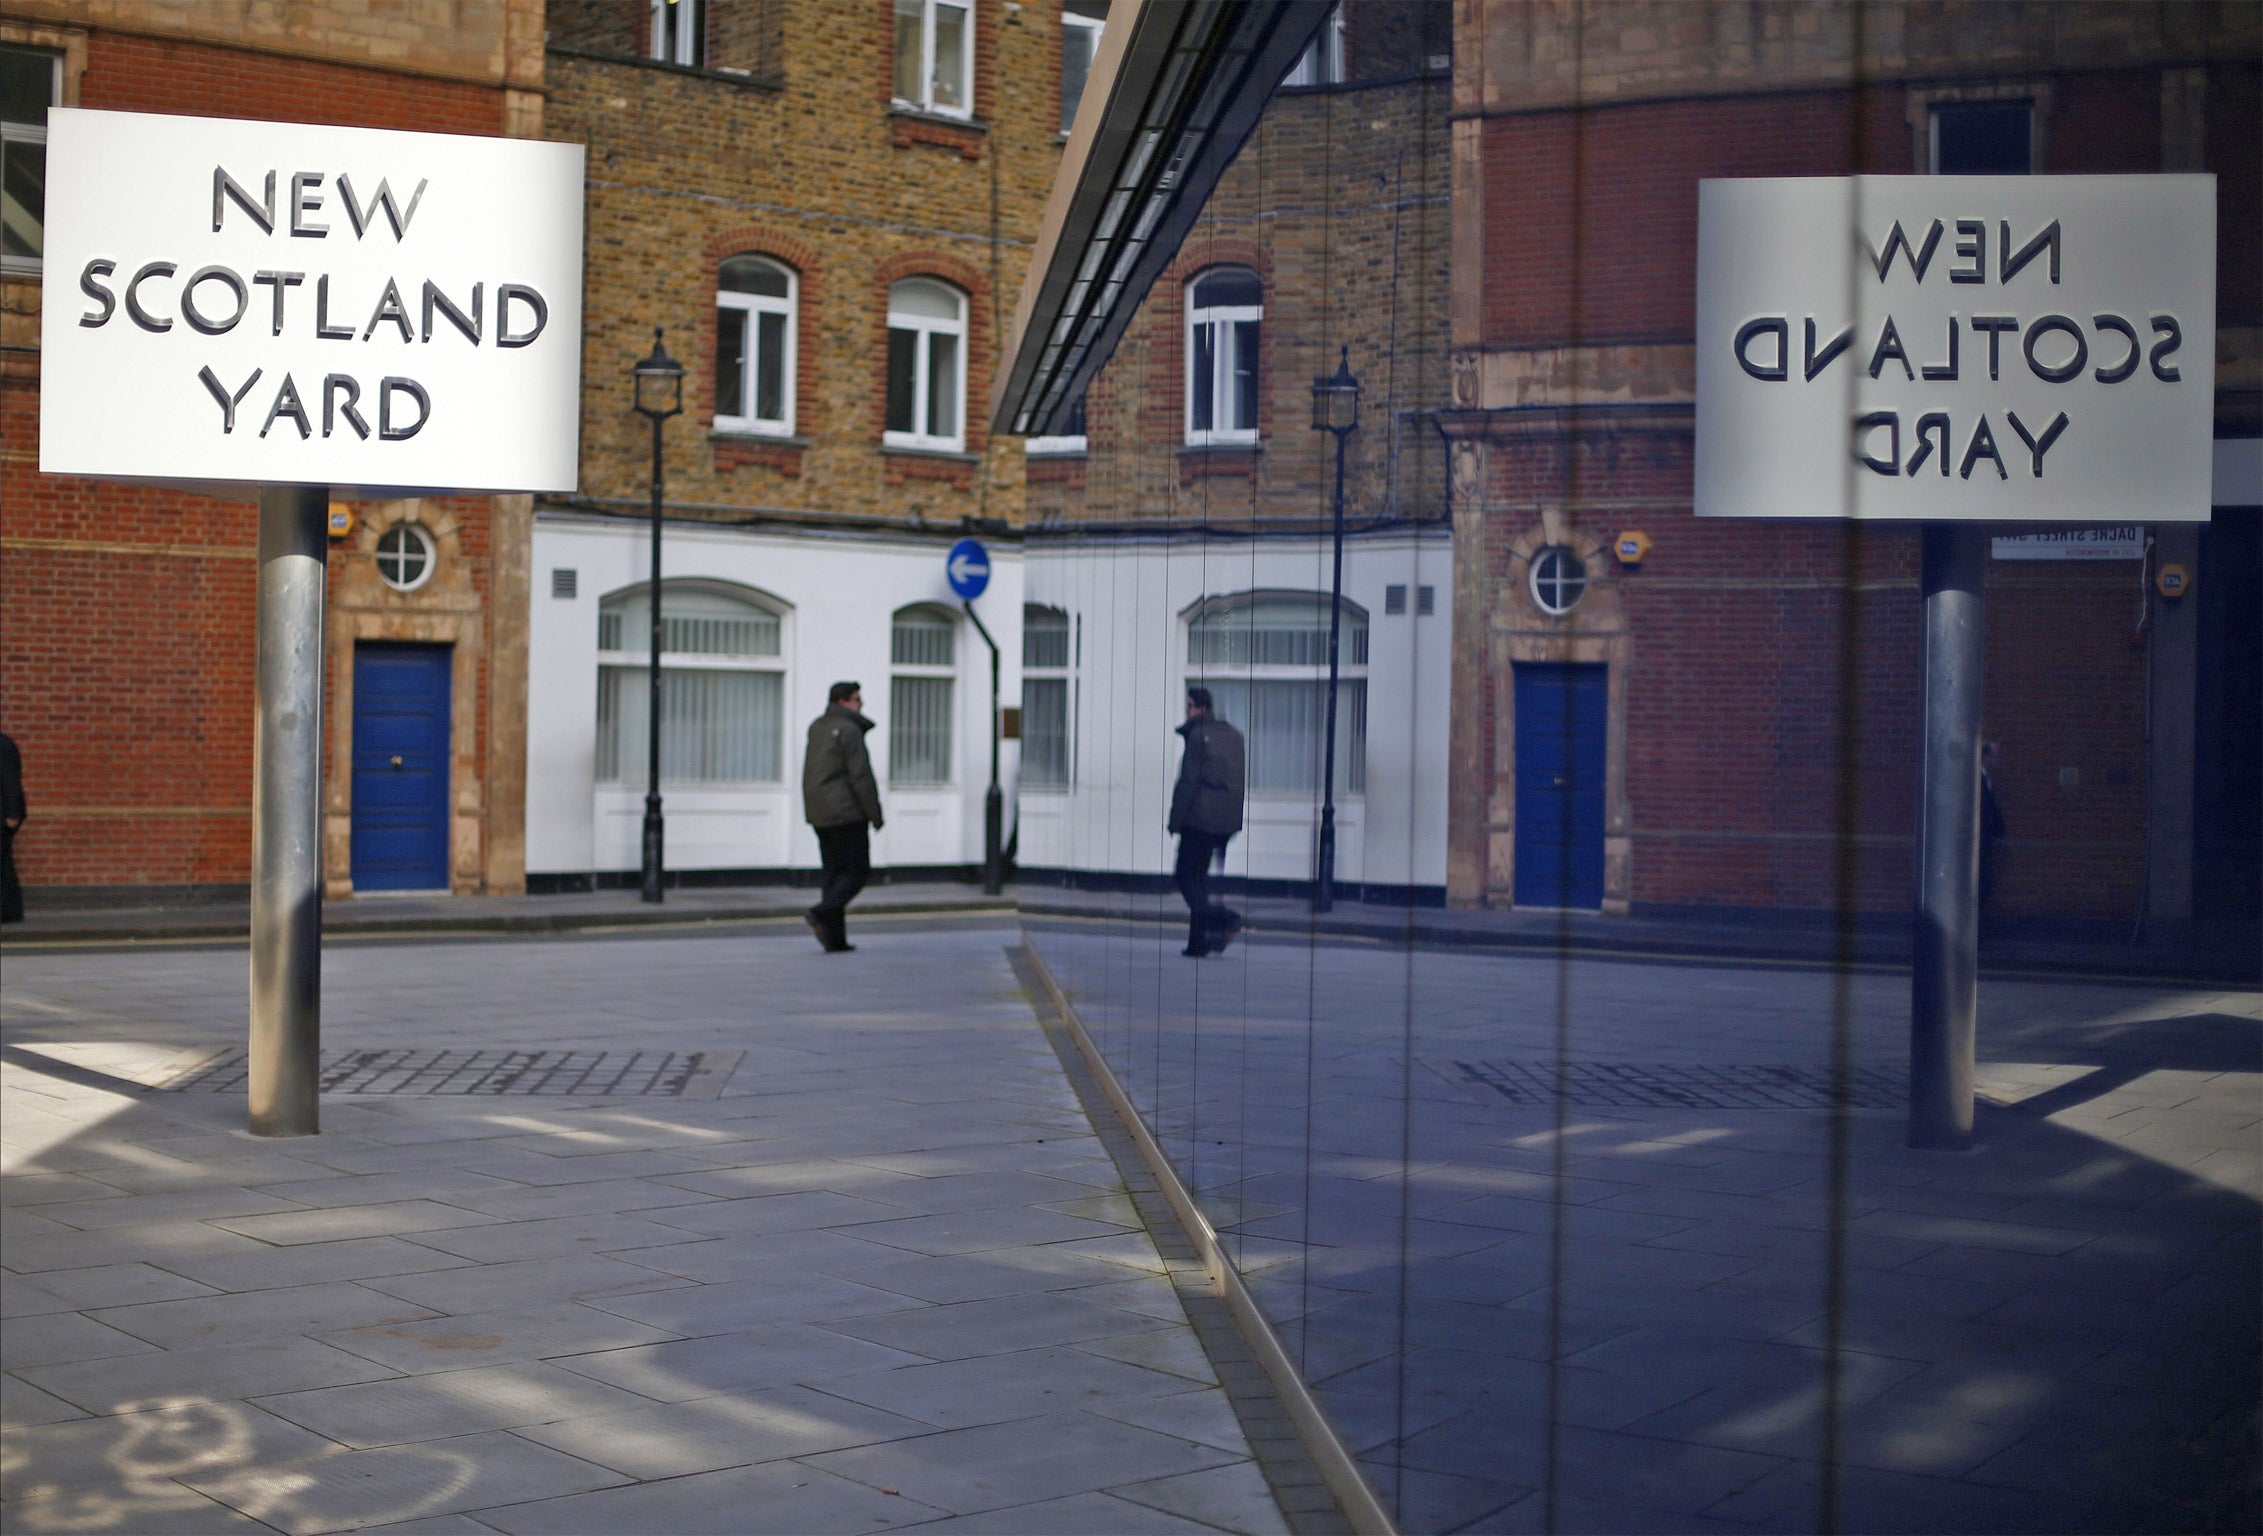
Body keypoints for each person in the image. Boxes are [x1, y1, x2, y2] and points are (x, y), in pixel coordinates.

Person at [802, 681, 883, 952]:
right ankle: (822, 911)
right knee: (857, 871)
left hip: (819, 811)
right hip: (846, 812)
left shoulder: (817, 726)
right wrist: (875, 814)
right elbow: (860, 776)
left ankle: (835, 939)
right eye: (857, 699)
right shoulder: (849, 730)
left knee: (833, 875)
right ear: (843, 701)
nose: (861, 704)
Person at [1169, 686, 1245, 957]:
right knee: (1199, 880)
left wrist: (1174, 821)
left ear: (1199, 707)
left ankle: (1224, 918)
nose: (1187, 711)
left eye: (1189, 705)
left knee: (1185, 877)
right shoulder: (1233, 736)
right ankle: (1197, 943)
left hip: (1198, 821)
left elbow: (1188, 783)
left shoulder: (1198, 736)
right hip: (1224, 822)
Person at [1978, 738, 2006, 938]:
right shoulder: (1977, 779)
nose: (1998, 760)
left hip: (1984, 845)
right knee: (1982, 887)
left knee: (1983, 886)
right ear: (1985, 757)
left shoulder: (1984, 778)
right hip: (1978, 846)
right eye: (1995, 755)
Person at [0, 729, 23, 923]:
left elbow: (10, 781)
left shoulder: (3, 745)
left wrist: (13, 814)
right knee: (5, 864)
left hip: (4, 815)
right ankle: (11, 910)